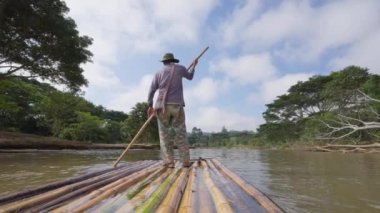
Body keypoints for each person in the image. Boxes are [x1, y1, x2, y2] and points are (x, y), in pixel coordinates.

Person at [147, 53, 197, 168]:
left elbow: (151, 90)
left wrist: (150, 105)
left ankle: (169, 162)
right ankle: (185, 162)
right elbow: (190, 77)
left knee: (164, 136)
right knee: (181, 134)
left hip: (161, 107)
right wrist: (194, 66)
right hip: (177, 106)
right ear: (173, 61)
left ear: (164, 62)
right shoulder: (180, 68)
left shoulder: (158, 73)